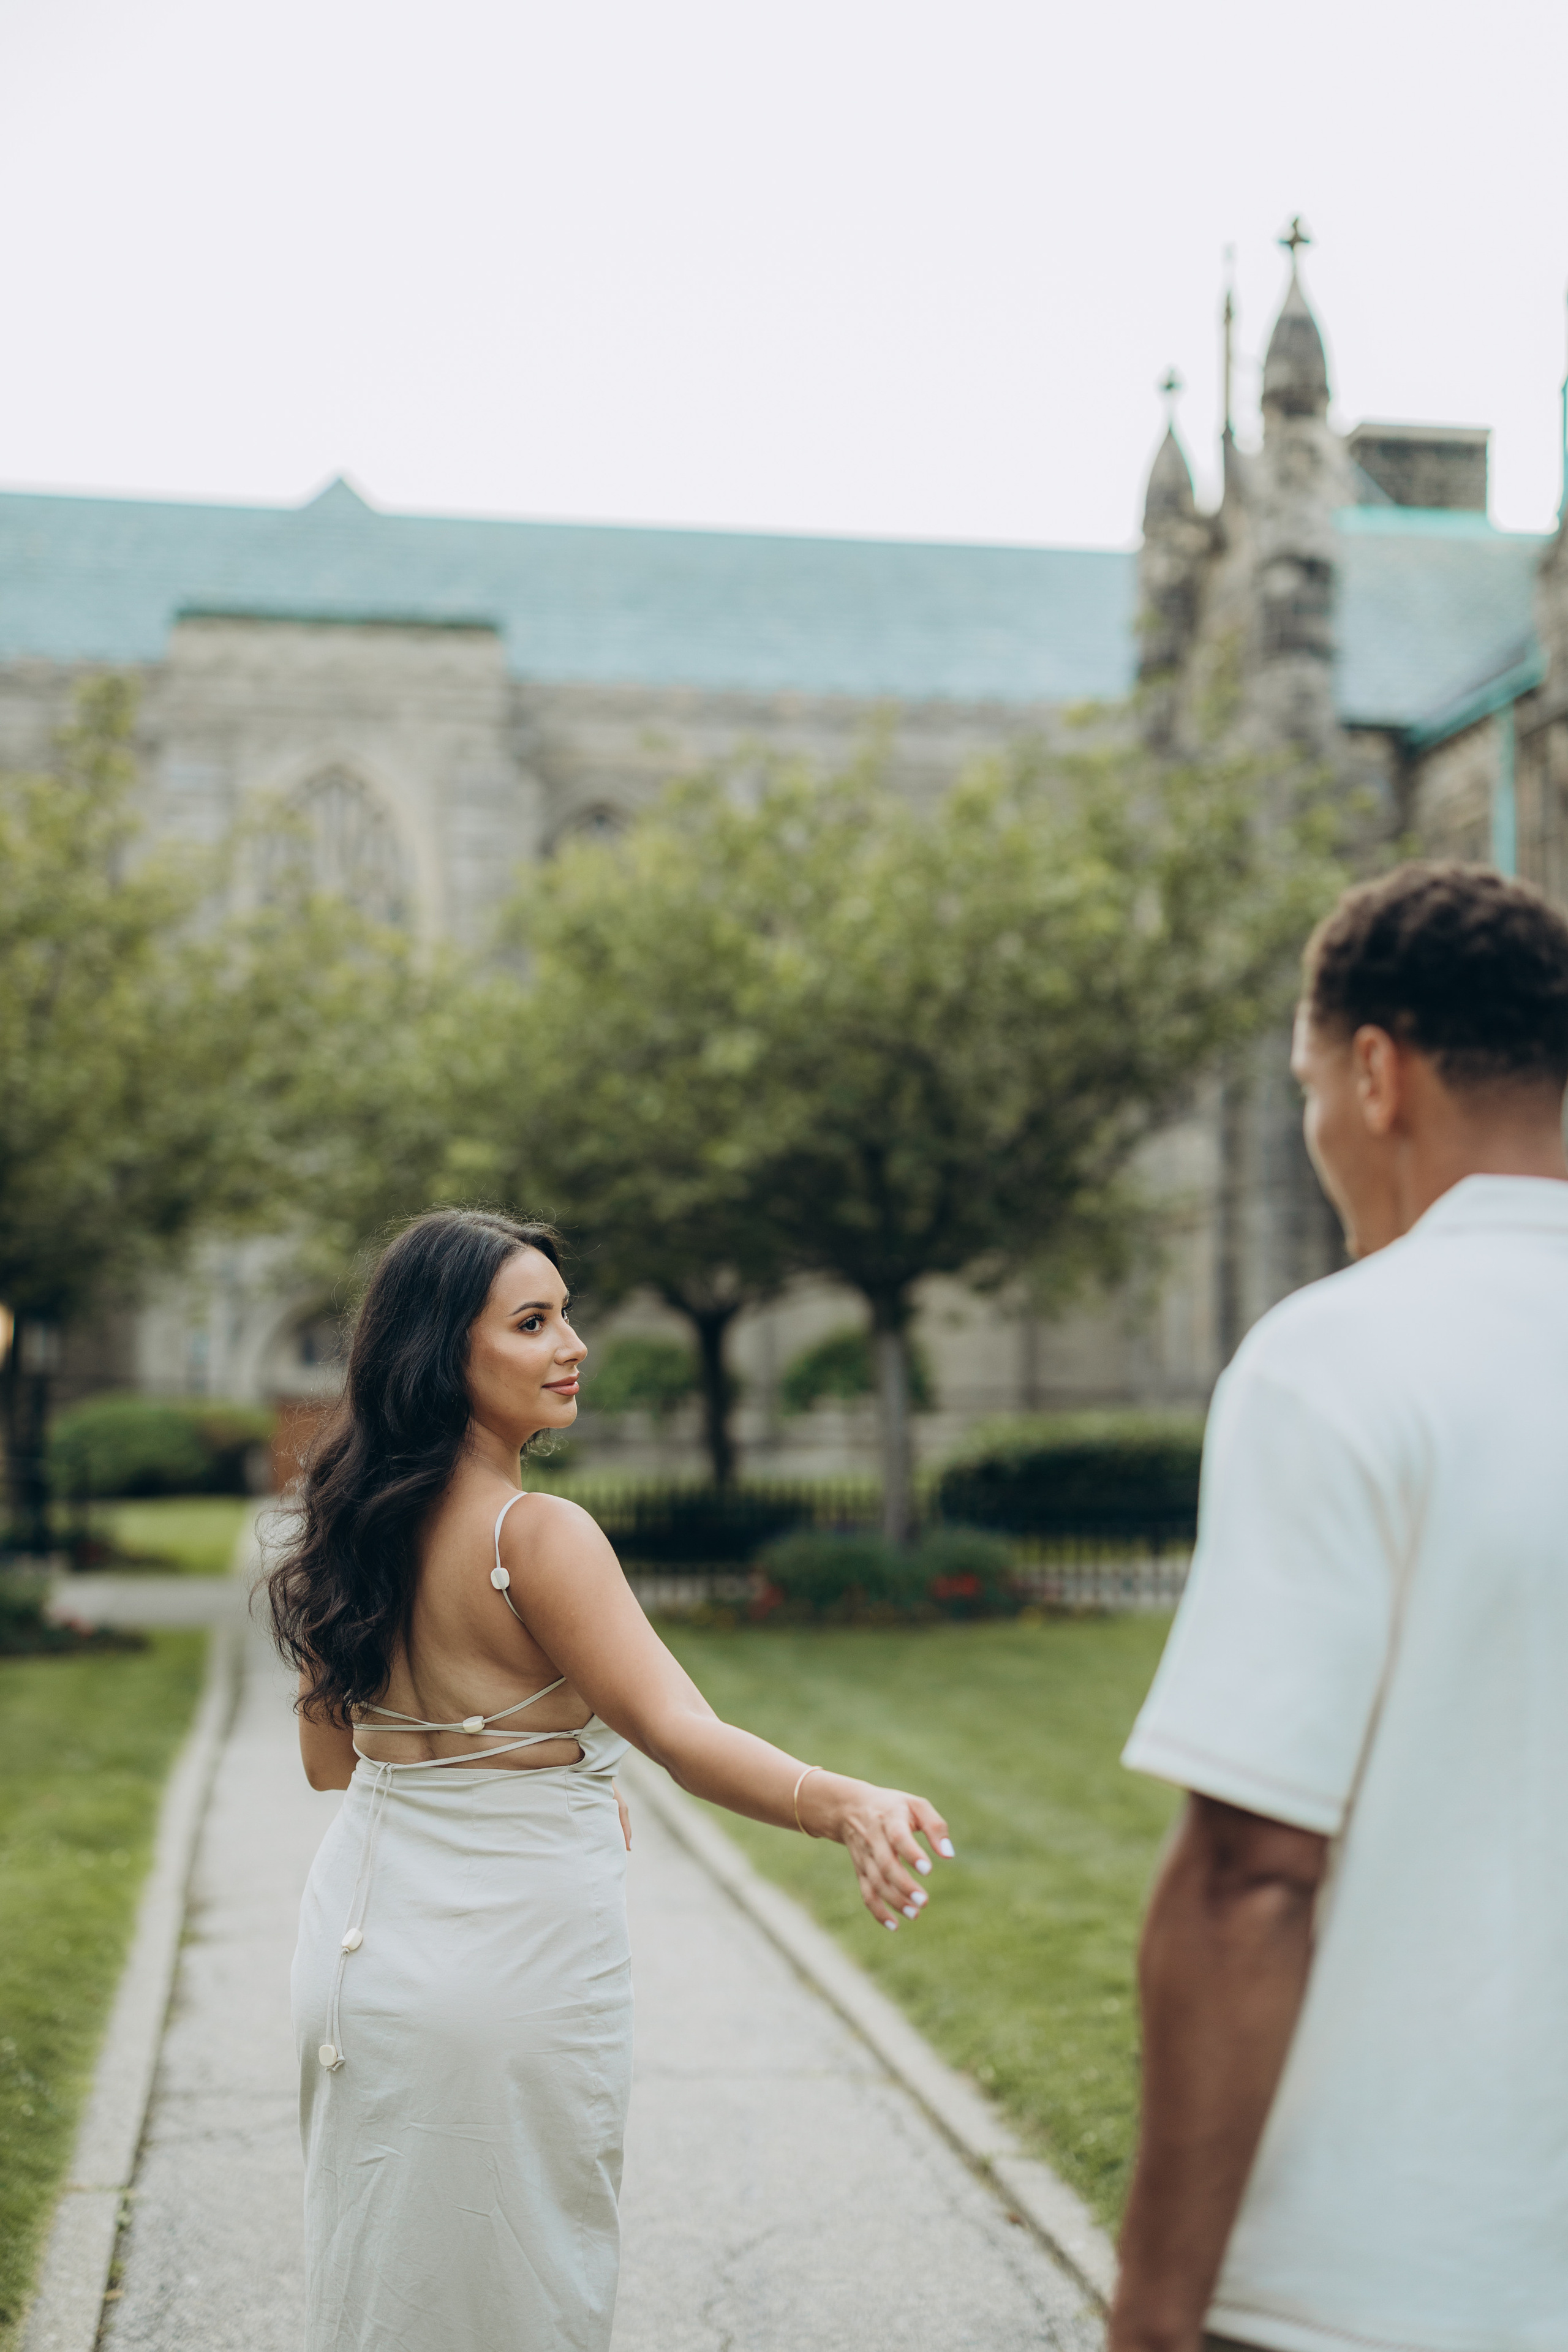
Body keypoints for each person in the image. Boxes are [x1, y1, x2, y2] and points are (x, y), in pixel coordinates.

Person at [265, 1208, 952, 2352]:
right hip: (509, 1960)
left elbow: (330, 1762)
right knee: (523, 2281)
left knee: (387, 2280)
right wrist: (847, 1805)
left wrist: (561, 1756)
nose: (574, 1346)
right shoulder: (536, 1533)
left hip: (357, 1959)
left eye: (566, 1316)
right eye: (534, 1323)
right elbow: (679, 1733)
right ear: (445, 1353)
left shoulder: (346, 1525)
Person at [1110, 861, 1568, 2352]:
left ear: (1374, 1075)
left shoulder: (1336, 1359)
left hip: (1384, 2277)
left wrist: (1151, 2314)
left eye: (1308, 1091)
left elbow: (1249, 1875)